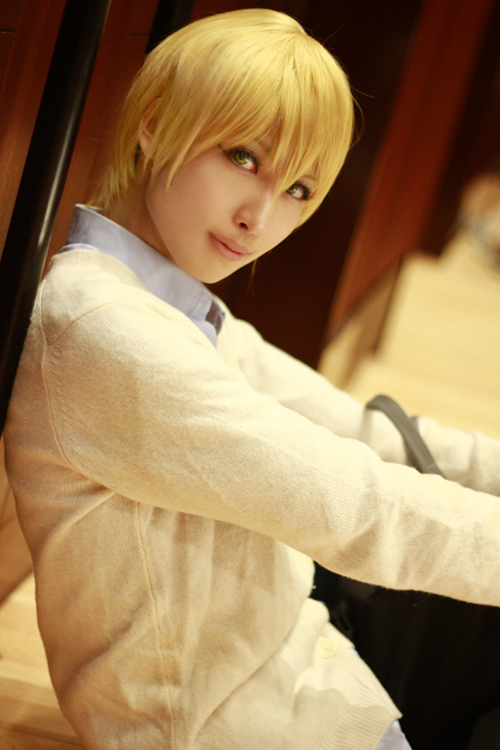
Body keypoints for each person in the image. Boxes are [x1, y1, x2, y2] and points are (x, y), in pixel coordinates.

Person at [4, 8, 500, 750]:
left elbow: (366, 435)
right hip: (213, 723)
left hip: (304, 667)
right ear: (155, 123)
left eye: (298, 189)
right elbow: (353, 505)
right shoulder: (103, 330)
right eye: (243, 158)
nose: (259, 218)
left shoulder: (166, 300)